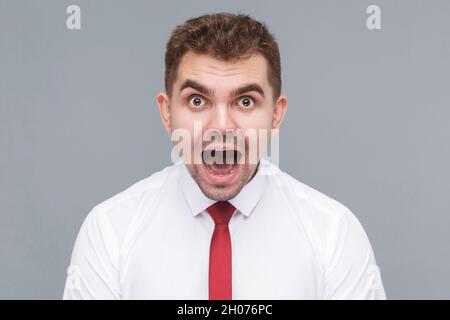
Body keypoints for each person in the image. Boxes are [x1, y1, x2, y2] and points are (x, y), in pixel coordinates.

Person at [63, 12, 386, 300]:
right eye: (197, 101)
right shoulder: (110, 230)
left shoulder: (333, 232)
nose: (220, 126)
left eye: (245, 102)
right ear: (166, 112)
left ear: (276, 114)